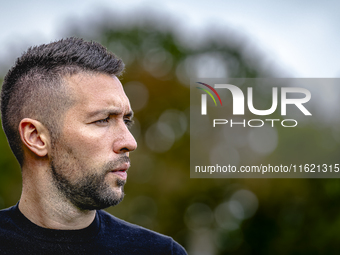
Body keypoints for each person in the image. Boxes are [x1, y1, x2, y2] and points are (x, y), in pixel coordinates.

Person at [0, 37, 187, 254]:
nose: (130, 142)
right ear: (37, 138)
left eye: (126, 121)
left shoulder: (160, 252)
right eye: (103, 120)